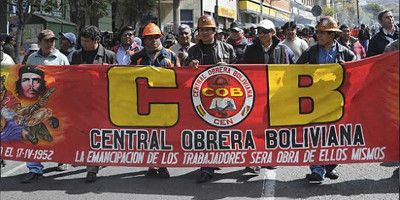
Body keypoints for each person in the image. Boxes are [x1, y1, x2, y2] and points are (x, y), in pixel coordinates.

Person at [296, 17, 356, 184]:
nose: (319, 35)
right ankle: (317, 169)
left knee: (335, 136)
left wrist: (349, 70)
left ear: (332, 35)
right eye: (318, 32)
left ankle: (329, 166)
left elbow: (358, 77)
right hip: (315, 102)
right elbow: (293, 72)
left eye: (323, 33)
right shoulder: (310, 52)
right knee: (315, 135)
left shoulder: (347, 53)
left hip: (338, 103)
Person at [184, 15, 236, 183]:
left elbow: (241, 72)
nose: (205, 32)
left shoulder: (227, 49)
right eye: (201, 29)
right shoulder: (192, 51)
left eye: (208, 29)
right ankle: (207, 166)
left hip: (225, 96)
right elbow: (182, 74)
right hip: (202, 98)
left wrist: (229, 68)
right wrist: (189, 66)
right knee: (206, 132)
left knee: (225, 131)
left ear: (215, 31)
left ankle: (228, 159)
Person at [22, 29, 69, 183]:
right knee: (33, 133)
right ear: (40, 41)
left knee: (58, 133)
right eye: (47, 40)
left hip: (58, 102)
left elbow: (69, 79)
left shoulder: (61, 58)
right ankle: (35, 169)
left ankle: (62, 160)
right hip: (36, 102)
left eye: (52, 40)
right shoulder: (32, 59)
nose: (50, 43)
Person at [71, 25, 117, 183]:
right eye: (82, 40)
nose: (83, 43)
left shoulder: (109, 55)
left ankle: (92, 169)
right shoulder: (76, 55)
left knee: (96, 135)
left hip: (102, 102)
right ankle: (92, 162)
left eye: (87, 41)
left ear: (96, 41)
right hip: (82, 102)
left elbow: (117, 78)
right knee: (84, 134)